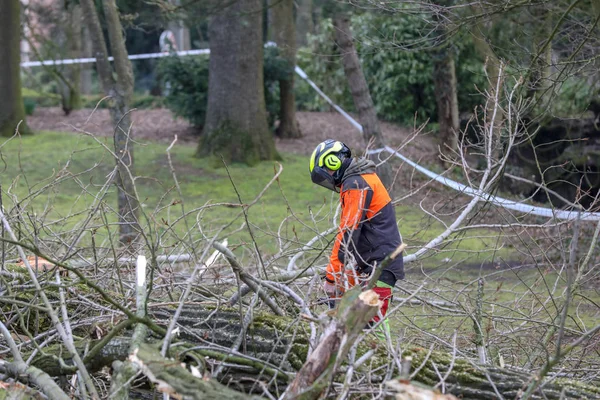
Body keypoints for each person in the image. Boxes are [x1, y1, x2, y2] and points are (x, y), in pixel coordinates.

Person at [309, 139, 404, 327]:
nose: (328, 178)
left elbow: (348, 233)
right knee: (357, 326)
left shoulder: (356, 183)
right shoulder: (361, 178)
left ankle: (386, 356)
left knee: (371, 327)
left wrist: (332, 276)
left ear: (332, 161)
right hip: (371, 265)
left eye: (325, 172)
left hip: (380, 266)